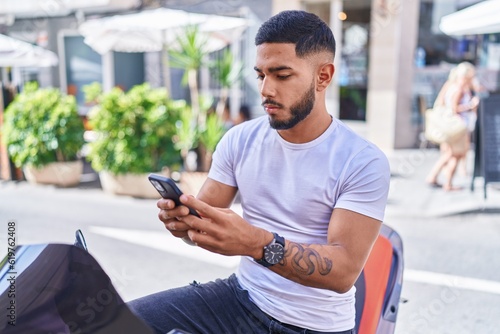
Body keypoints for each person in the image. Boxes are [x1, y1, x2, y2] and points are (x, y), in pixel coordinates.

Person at [128, 10, 390, 334]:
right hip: (241, 299)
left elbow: (343, 272)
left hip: (314, 327)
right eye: (261, 75)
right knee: (115, 322)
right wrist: (184, 224)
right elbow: (204, 221)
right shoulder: (241, 139)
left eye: (281, 75)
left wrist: (255, 243)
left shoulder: (362, 161)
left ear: (323, 76)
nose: (266, 90)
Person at [426, 62, 480, 191]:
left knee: (450, 154)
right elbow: (455, 108)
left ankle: (434, 177)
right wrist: (470, 106)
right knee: (455, 155)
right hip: (457, 127)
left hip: (453, 126)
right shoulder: (460, 89)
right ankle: (447, 183)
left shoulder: (452, 86)